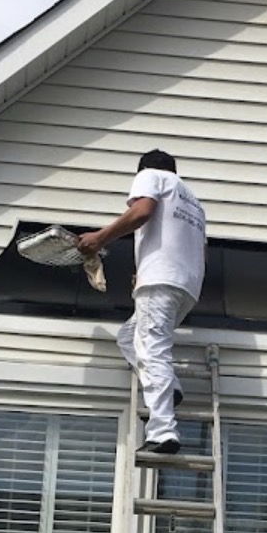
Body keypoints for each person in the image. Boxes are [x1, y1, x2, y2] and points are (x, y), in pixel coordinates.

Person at [77, 149, 206, 453]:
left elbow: (143, 212)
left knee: (152, 349)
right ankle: (170, 387)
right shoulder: (194, 203)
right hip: (187, 285)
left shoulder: (151, 177)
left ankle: (162, 432)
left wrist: (101, 237)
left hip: (162, 280)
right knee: (129, 337)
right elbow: (200, 252)